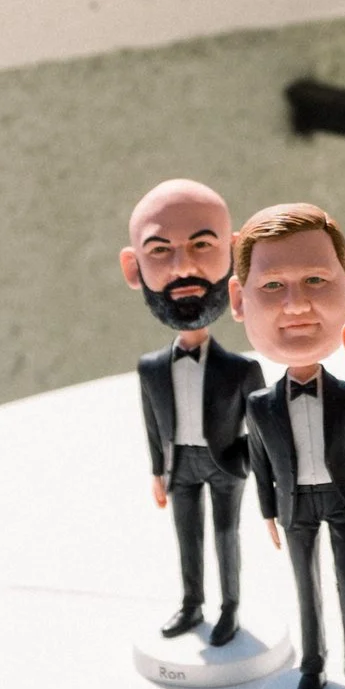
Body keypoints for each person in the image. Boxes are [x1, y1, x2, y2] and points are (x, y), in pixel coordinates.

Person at [232, 203, 345, 689]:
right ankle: (313, 665)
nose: (296, 304)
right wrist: (267, 511)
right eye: (273, 285)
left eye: (316, 280)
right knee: (305, 589)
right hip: (295, 505)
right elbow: (259, 460)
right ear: (241, 299)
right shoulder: (260, 404)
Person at [122, 178, 263, 645]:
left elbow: (261, 427)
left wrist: (250, 464)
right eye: (160, 250)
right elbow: (152, 423)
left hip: (226, 465)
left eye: (202, 245)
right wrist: (157, 469)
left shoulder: (242, 369)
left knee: (226, 536)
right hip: (179, 464)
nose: (183, 266)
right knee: (187, 538)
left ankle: (230, 608)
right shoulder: (150, 368)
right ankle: (191, 603)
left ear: (234, 253)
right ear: (133, 267)